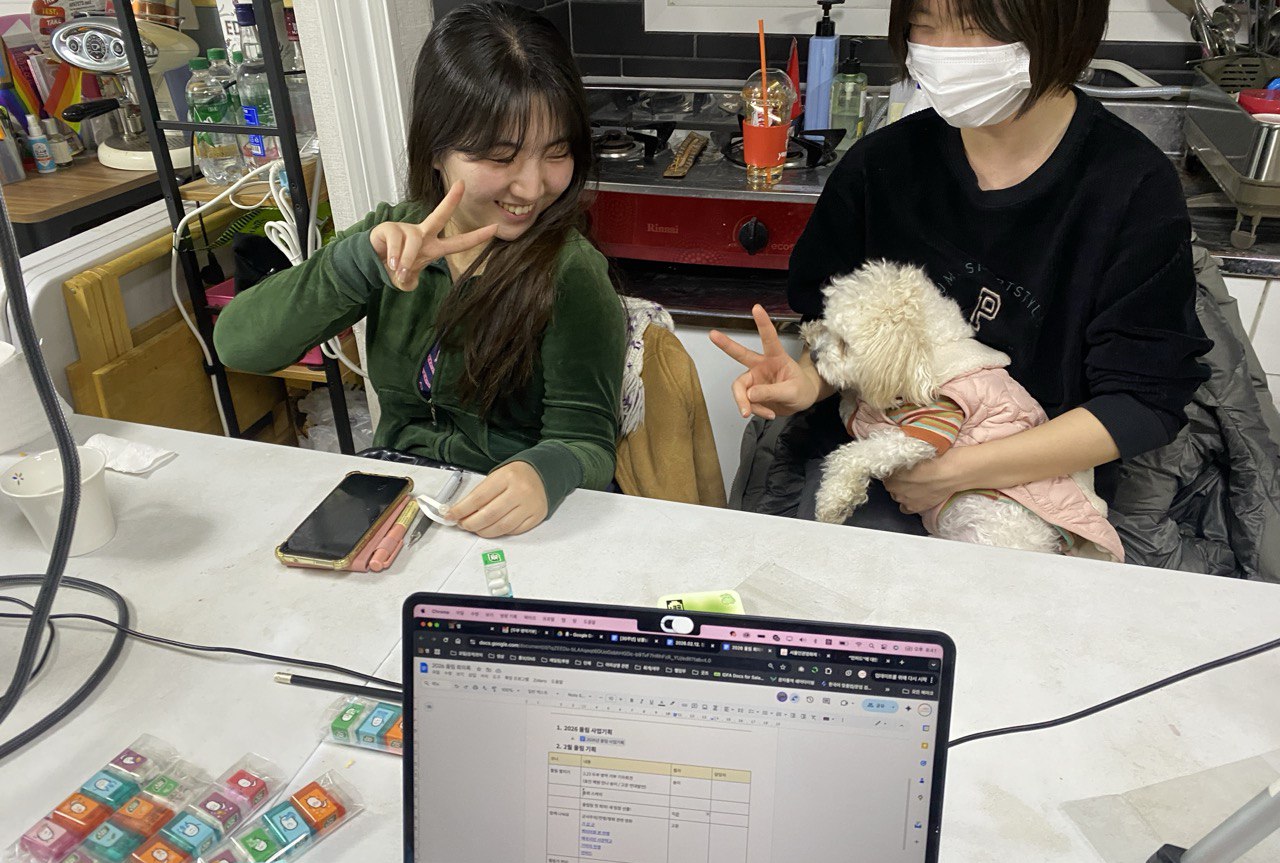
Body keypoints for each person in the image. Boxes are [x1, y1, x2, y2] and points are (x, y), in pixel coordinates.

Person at [712, 0, 1210, 531]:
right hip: (879, 460)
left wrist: (954, 471)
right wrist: (810, 381)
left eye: (976, 29)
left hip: (1038, 486)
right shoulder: (880, 165)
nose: (943, 52)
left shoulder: (1130, 186)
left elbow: (1142, 402)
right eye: (924, 26)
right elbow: (837, 326)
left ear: (1063, 29)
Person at [214, 2, 625, 538]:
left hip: (511, 519)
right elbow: (240, 346)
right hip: (406, 497)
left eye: (556, 152)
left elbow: (587, 442)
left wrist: (545, 471)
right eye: (500, 157)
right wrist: (356, 265)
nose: (531, 187)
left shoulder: (570, 272)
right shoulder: (392, 236)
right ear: (436, 150)